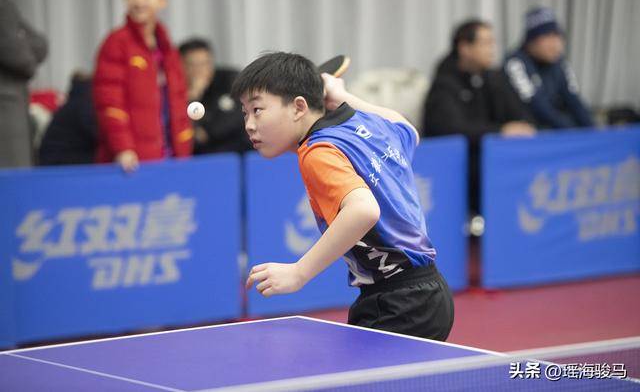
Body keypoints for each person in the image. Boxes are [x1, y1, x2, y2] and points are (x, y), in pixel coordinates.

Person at [238, 52, 454, 340]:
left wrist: (299, 273)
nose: (249, 125)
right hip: (430, 294)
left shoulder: (317, 152)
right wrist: (345, 98)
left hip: (397, 304)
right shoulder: (361, 125)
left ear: (299, 107)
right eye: (245, 113)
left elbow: (363, 210)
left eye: (257, 110)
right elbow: (407, 130)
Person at [422, 19, 535, 215]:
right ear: (465, 48)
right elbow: (451, 129)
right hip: (455, 168)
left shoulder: (493, 78)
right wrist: (500, 131)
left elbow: (518, 114)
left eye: (493, 43)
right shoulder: (444, 84)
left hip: (490, 159)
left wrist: (520, 127)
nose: (492, 49)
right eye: (485, 43)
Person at [93, 0, 192, 172]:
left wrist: (184, 153)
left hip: (171, 157)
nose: (138, 1)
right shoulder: (116, 42)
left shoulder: (168, 48)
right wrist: (123, 148)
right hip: (133, 161)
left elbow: (179, 102)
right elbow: (110, 102)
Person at [504, 7, 593, 129]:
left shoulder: (559, 62)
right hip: (532, 131)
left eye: (557, 36)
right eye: (547, 37)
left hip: (560, 129)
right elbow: (537, 107)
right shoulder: (515, 62)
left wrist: (594, 131)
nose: (555, 44)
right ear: (531, 42)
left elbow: (574, 100)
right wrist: (572, 131)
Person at [0, 0, 48, 168]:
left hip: (12, 104)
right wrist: (29, 64)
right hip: (6, 107)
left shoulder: (6, 2)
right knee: (12, 179)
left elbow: (40, 44)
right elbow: (18, 56)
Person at [179, 38, 251, 154]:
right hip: (199, 157)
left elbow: (237, 117)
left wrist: (207, 131)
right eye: (192, 65)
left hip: (239, 153)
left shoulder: (229, 80)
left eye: (204, 63)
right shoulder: (174, 91)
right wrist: (193, 97)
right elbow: (184, 133)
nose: (199, 71)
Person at [39, 72, 97, 166]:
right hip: (61, 163)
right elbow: (95, 132)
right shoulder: (83, 105)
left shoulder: (73, 104)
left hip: (53, 160)